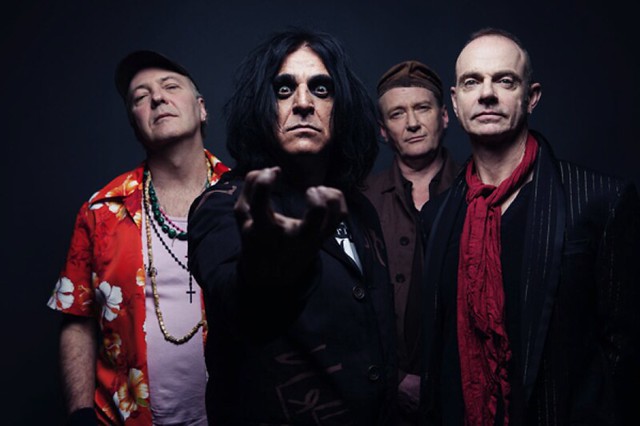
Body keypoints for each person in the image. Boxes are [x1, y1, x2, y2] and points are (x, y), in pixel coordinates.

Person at [420, 28, 640, 425]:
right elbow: (437, 352)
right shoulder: (436, 216)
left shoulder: (599, 200)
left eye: (505, 80)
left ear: (531, 97)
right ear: (455, 101)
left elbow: (625, 347)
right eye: (472, 82)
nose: (487, 94)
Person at [188, 28, 397, 425]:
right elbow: (238, 303)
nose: (303, 103)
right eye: (284, 90)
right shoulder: (223, 205)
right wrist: (272, 268)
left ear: (341, 106)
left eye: (321, 89)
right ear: (260, 107)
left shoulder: (360, 209)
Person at [47, 50, 230, 425]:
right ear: (135, 124)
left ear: (201, 109)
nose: (157, 98)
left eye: (170, 86)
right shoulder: (100, 212)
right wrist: (80, 415)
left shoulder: (247, 199)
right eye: (140, 97)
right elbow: (77, 319)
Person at [363, 60, 459, 424]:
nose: (413, 123)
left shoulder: (478, 192)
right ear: (383, 131)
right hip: (383, 401)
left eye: (422, 108)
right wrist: (395, 378)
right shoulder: (360, 201)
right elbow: (348, 312)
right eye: (397, 113)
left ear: (444, 116)